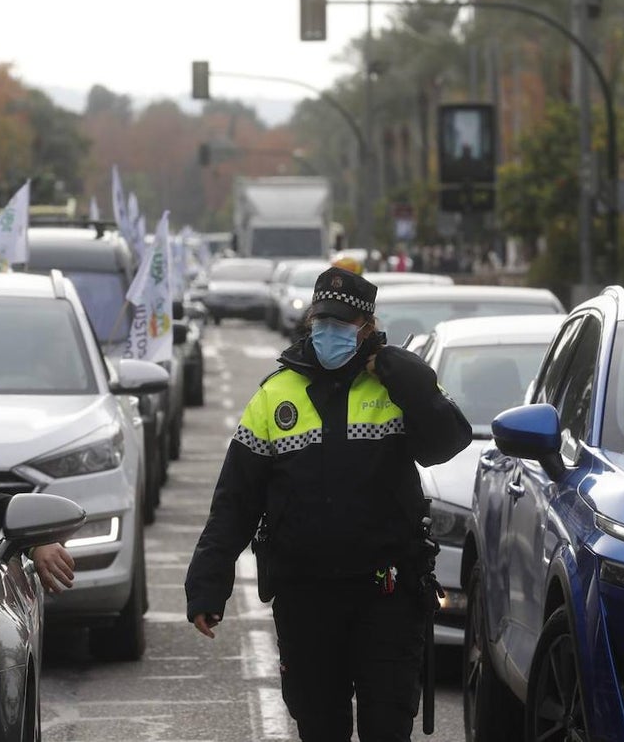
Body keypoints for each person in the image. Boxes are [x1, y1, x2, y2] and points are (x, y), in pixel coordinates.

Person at [185, 266, 471, 742]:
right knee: (320, 727)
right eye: (321, 322)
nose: (328, 333)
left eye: (341, 325)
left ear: (367, 330)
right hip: (306, 599)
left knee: (387, 725)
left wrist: (402, 373)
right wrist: (207, 585)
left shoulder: (395, 386)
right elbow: (236, 499)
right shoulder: (275, 395)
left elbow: (447, 441)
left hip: (388, 596)